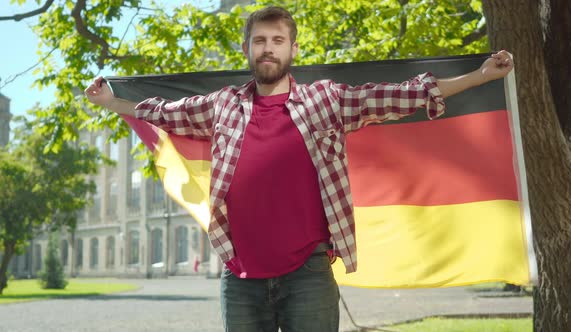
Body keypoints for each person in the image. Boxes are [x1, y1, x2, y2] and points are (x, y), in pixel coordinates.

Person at [85, 6, 513, 332]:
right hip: (241, 275)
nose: (267, 48)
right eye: (259, 41)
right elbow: (160, 112)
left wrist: (479, 77)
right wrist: (110, 103)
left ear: (292, 49)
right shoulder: (222, 105)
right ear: (247, 49)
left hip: (307, 273)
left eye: (276, 40)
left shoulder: (326, 101)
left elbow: (402, 94)